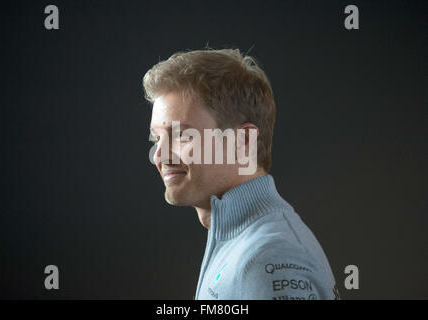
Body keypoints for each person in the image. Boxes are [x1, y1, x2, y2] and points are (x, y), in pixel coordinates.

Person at [143, 48, 340, 300]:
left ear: (243, 141)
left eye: (181, 135)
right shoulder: (242, 243)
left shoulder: (267, 257)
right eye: (156, 138)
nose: (159, 156)